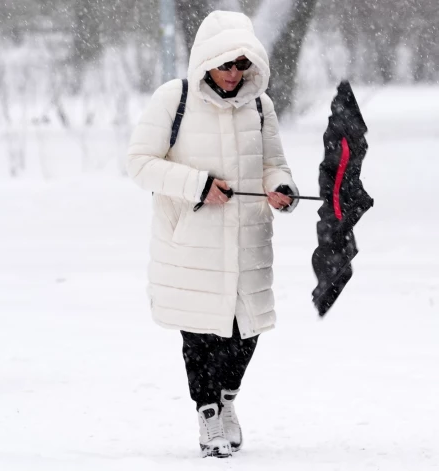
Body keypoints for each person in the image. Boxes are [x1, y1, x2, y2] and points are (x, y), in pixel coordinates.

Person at [126, 10, 298, 458]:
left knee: (247, 333)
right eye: (226, 64)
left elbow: (273, 165)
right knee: (201, 335)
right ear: (207, 61)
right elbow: (140, 163)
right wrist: (198, 186)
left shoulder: (261, 106)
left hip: (248, 242)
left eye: (243, 65)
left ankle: (226, 402)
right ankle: (206, 414)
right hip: (192, 243)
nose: (233, 74)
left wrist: (281, 188)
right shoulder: (173, 99)